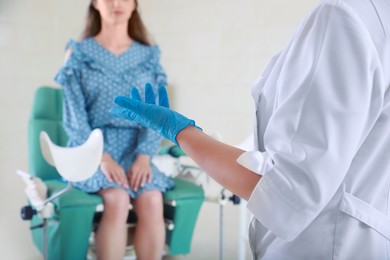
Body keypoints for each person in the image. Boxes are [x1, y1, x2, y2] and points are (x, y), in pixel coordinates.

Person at [110, 0, 390, 259]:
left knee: (149, 201)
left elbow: (289, 193)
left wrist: (181, 132)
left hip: (325, 244)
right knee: (117, 200)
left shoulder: (344, 16)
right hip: (362, 239)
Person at [54, 0, 175, 259]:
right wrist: (102, 157)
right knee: (117, 199)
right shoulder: (77, 54)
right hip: (91, 149)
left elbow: (156, 112)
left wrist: (144, 156)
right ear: (95, 4)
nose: (116, 3)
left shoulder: (149, 56)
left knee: (153, 200)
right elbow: (74, 116)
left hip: (136, 148)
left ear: (134, 5)